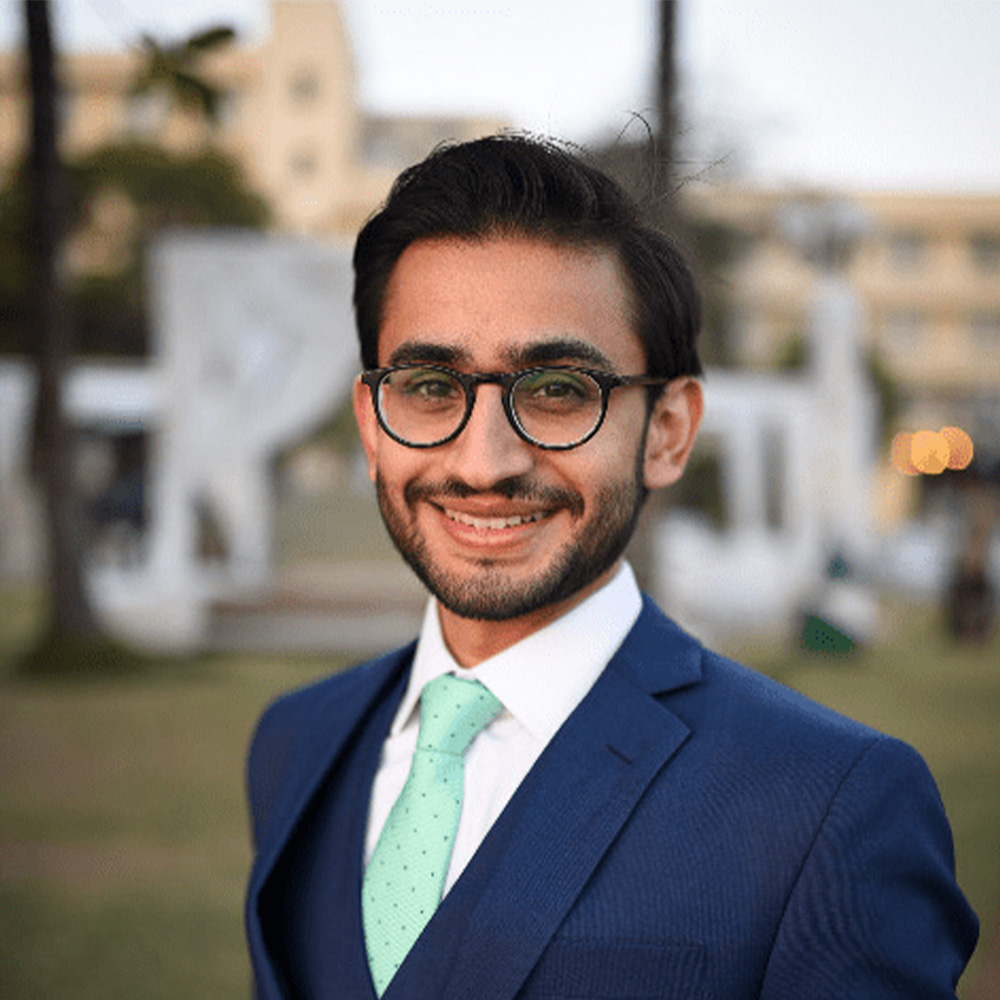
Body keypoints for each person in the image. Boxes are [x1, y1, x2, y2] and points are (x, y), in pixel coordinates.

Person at [245, 135, 978, 999]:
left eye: (558, 390)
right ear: (372, 425)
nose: (483, 464)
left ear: (667, 431)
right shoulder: (297, 741)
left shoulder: (827, 805)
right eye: (432, 387)